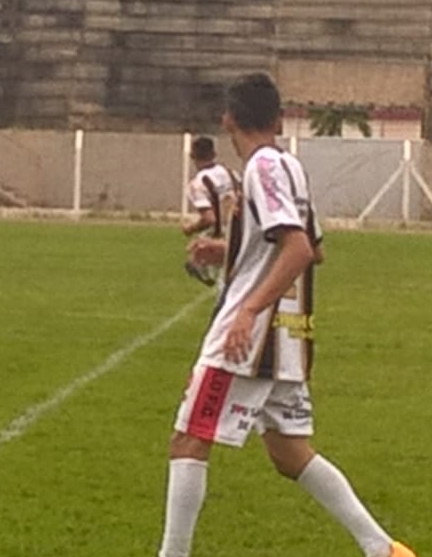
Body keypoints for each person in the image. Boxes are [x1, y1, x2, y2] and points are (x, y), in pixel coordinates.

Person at [156, 73, 415, 557]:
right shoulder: (290, 166)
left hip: (248, 341)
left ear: (228, 119)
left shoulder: (261, 168)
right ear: (278, 120)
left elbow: (297, 249)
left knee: (189, 440)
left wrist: (248, 310)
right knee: (289, 453)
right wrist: (228, 250)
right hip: (287, 336)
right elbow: (313, 248)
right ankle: (384, 549)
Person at [180, 136, 236, 287]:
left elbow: (209, 219)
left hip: (220, 239)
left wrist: (190, 228)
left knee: (225, 286)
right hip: (242, 231)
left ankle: (200, 265)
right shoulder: (230, 173)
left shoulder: (197, 184)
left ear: (192, 156)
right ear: (214, 154)